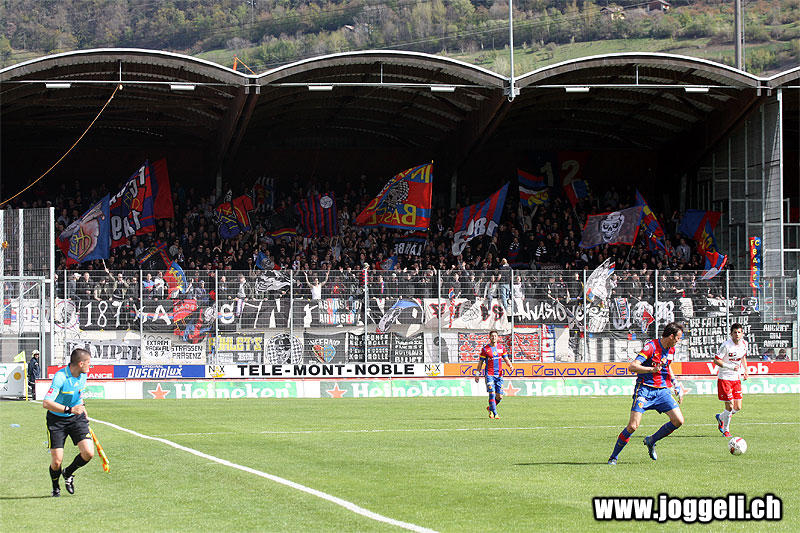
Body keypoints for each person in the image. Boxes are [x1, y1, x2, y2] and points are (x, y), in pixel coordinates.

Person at [608, 322, 685, 465]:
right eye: (678, 338)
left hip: (662, 391)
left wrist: (676, 384)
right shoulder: (651, 347)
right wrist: (651, 370)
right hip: (645, 389)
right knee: (632, 426)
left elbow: (668, 367)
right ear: (671, 336)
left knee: (678, 421)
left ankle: (651, 440)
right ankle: (613, 457)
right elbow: (632, 366)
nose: (678, 341)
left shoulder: (671, 350)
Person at [42, 348, 95, 497]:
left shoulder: (83, 375)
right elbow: (46, 403)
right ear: (80, 363)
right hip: (56, 420)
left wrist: (83, 408)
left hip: (76, 418)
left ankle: (68, 473)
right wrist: (69, 409)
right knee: (56, 461)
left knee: (88, 453)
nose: (90, 366)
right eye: (88, 363)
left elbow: (78, 395)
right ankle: (55, 487)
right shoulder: (60, 377)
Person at [713, 323, 749, 438]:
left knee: (737, 407)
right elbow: (716, 360)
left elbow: (743, 357)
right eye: (735, 332)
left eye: (739, 332)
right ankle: (726, 430)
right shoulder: (726, 345)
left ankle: (721, 417)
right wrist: (730, 367)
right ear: (731, 334)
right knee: (729, 405)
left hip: (736, 379)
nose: (737, 334)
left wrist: (746, 370)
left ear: (742, 333)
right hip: (725, 378)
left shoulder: (744, 344)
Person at [473, 330, 515, 419]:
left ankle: (490, 408)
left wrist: (510, 365)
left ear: (498, 337)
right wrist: (477, 374)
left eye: (495, 336)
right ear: (489, 337)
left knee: (500, 396)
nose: (494, 337)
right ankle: (495, 413)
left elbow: (506, 359)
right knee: (492, 393)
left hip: (499, 375)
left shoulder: (501, 348)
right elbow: (480, 363)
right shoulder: (485, 349)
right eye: (492, 336)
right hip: (489, 374)